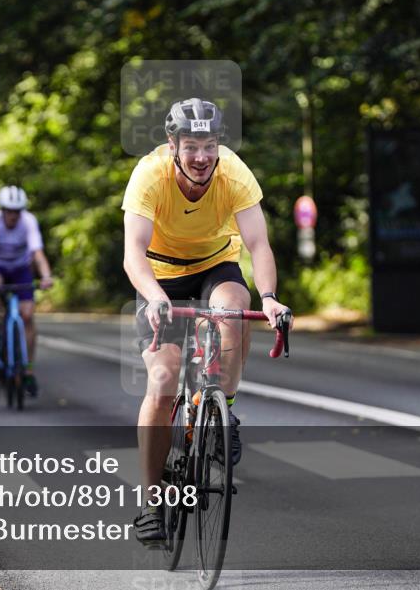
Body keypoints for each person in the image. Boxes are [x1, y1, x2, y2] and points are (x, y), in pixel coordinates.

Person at [121, 98, 292, 545]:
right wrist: (155, 297)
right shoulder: (149, 175)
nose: (202, 156)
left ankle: (224, 412)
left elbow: (258, 245)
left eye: (210, 145)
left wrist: (271, 298)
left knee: (234, 311)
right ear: (172, 144)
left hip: (216, 265)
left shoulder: (234, 174)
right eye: (192, 146)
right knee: (162, 381)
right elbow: (132, 254)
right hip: (159, 274)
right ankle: (153, 502)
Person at [0, 185, 53, 397]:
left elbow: (37, 253)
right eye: (9, 211)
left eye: (17, 211)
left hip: (20, 269)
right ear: (2, 210)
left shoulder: (28, 222)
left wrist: (46, 276)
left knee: (27, 315)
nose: (13, 216)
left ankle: (27, 369)